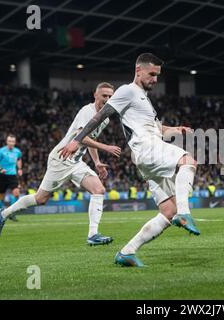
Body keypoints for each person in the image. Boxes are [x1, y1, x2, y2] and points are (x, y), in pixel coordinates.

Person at [59, 53, 200, 267]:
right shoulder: (127, 91)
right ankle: (185, 213)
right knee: (188, 161)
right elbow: (101, 115)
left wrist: (174, 129)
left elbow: (154, 128)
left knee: (167, 212)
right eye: (151, 74)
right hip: (147, 148)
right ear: (138, 70)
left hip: (148, 151)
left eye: (157, 75)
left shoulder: (143, 98)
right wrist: (78, 140)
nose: (155, 79)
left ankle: (127, 252)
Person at [0, 82, 122, 246]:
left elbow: (92, 139)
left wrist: (96, 161)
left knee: (99, 189)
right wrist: (106, 147)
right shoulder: (87, 111)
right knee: (40, 199)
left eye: (111, 96)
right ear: (95, 95)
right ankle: (3, 214)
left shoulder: (105, 119)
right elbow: (80, 135)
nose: (108, 99)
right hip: (61, 159)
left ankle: (93, 234)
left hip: (76, 162)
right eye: (104, 95)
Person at [0, 134, 23, 222]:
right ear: (7, 142)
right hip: (2, 175)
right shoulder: (1, 151)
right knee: (1, 196)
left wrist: (20, 169)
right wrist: (0, 168)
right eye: (9, 141)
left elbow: (19, 159)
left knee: (16, 193)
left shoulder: (17, 151)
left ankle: (11, 213)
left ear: (15, 142)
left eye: (13, 141)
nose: (11, 143)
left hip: (12, 175)